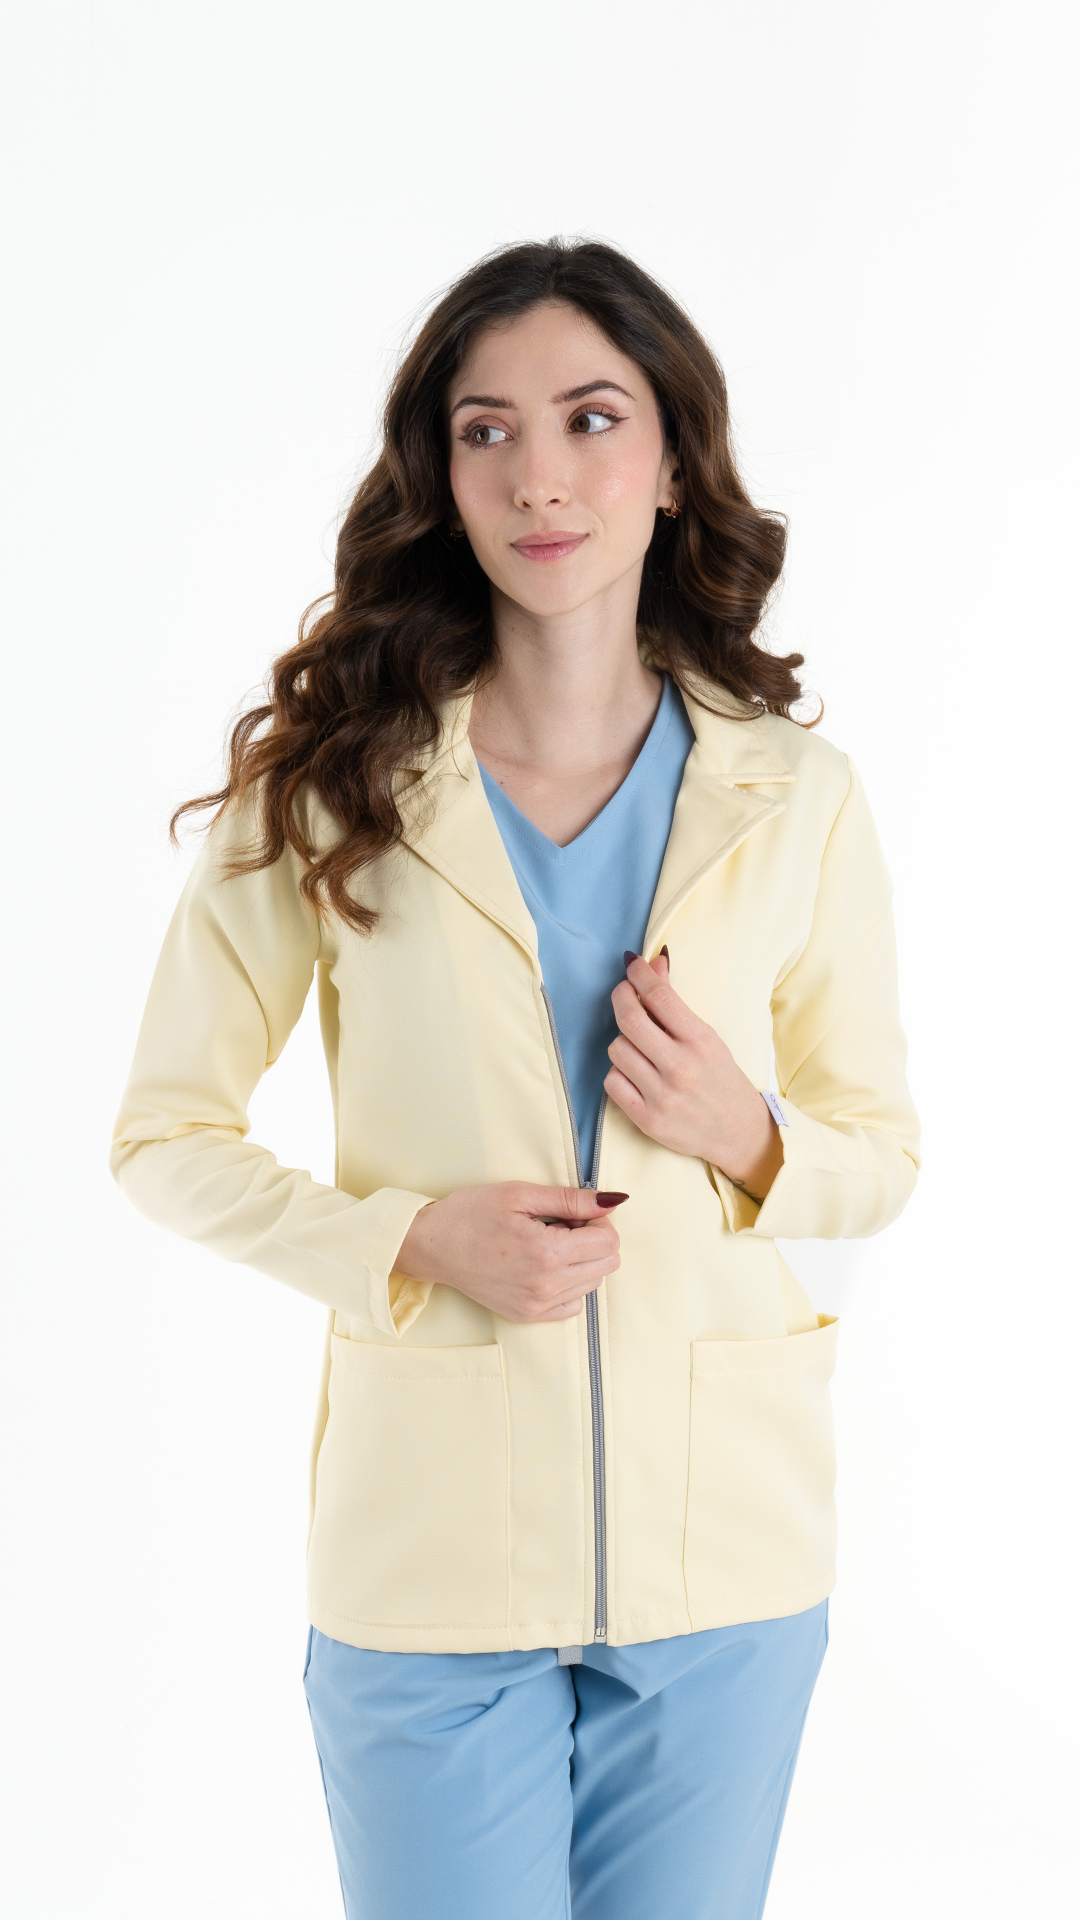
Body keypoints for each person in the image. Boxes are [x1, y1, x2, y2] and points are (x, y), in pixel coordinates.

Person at [111, 239, 920, 1919]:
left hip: (725, 1556)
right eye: (487, 432)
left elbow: (881, 1151)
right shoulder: (329, 788)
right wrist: (408, 1237)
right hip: (433, 1556)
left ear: (675, 465)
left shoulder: (799, 795)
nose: (540, 477)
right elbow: (164, 1137)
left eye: (591, 419)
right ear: (443, 472)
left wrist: (749, 1133)